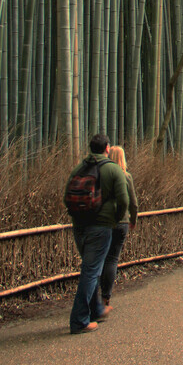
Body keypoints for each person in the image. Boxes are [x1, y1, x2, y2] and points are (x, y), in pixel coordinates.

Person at [64, 133, 129, 334]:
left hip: (80, 227)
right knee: (91, 272)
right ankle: (79, 320)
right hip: (100, 228)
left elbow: (67, 196)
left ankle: (96, 310)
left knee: (91, 269)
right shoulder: (112, 169)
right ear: (107, 148)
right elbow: (124, 200)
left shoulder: (79, 168)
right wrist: (115, 219)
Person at [99, 145, 138, 306]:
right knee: (112, 259)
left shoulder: (101, 175)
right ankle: (105, 297)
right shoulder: (126, 176)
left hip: (103, 222)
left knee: (100, 258)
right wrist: (133, 220)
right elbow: (133, 202)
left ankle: (95, 297)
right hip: (121, 222)